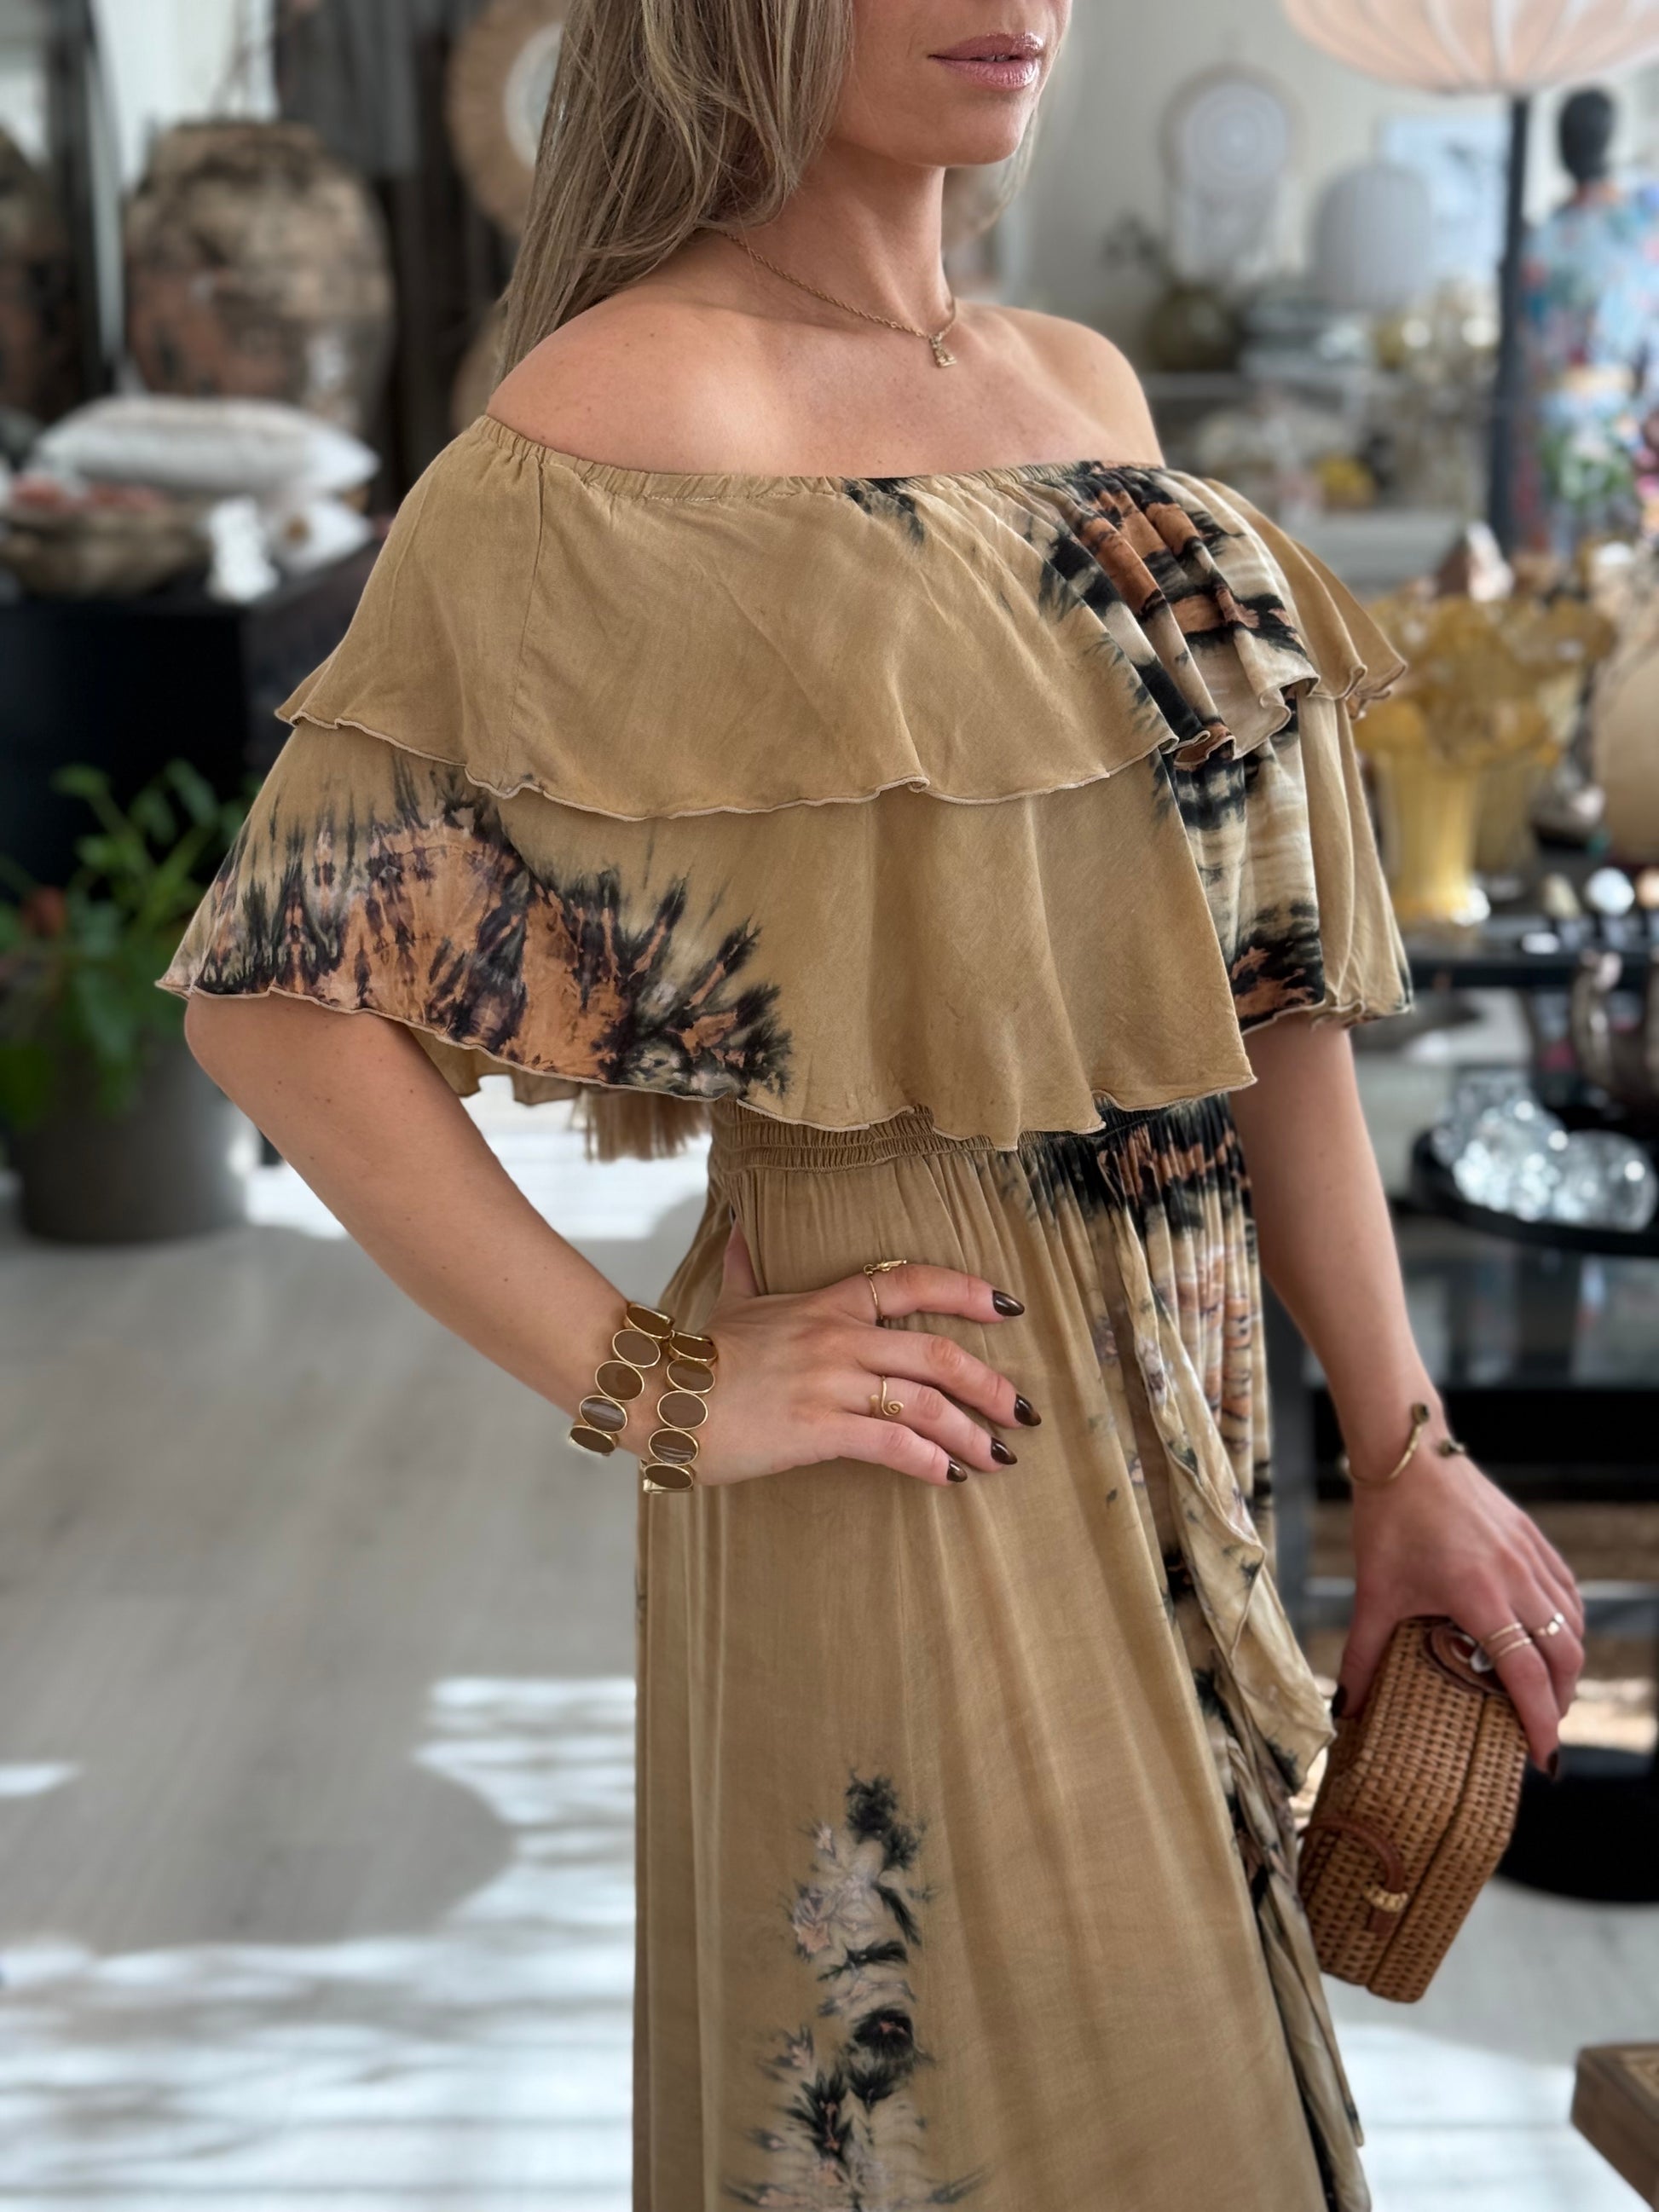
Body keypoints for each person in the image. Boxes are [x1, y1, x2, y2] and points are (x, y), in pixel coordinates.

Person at [167, 4, 1585, 2205]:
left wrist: (1403, 1451)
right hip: (919, 1423)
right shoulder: (617, 417)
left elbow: (1263, 996)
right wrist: (652, 1383)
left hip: (1192, 1411)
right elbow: (280, 1000)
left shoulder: (1083, 389)